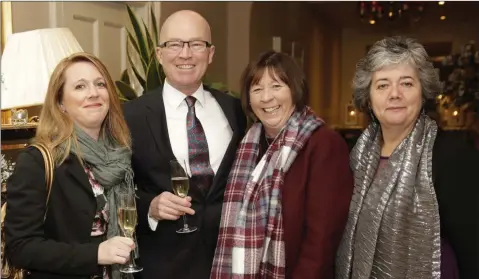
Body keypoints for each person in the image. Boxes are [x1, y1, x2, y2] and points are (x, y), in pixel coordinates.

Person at [335, 36, 479, 279]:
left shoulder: (452, 156)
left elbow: (473, 250)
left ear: (423, 93)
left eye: (406, 84)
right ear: (368, 99)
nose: (394, 94)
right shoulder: (353, 157)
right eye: (382, 85)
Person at [123, 10, 247, 279]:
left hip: (227, 259)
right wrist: (151, 207)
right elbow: (114, 188)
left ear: (211, 53)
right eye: (175, 44)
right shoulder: (130, 116)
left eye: (196, 44)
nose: (185, 54)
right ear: (159, 54)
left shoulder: (236, 110)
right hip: (163, 265)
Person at [211, 50, 354, 279]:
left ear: (295, 90)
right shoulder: (247, 145)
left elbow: (322, 241)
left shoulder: (324, 144)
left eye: (276, 86)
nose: (266, 98)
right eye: (257, 89)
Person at [5, 52, 136, 279]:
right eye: (80, 87)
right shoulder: (38, 160)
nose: (93, 93)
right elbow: (20, 248)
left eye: (100, 84)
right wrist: (95, 254)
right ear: (60, 103)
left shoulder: (121, 155)